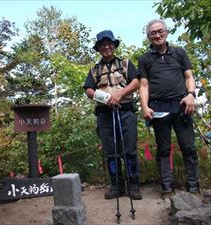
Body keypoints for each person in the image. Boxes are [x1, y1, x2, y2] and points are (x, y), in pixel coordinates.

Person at [138, 19, 199, 199]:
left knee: (188, 147)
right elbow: (143, 85)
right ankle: (167, 188)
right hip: (158, 108)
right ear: (148, 37)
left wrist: (191, 95)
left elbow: (189, 76)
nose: (157, 35)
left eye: (160, 31)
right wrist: (144, 107)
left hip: (182, 105)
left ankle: (193, 187)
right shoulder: (144, 59)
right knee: (163, 149)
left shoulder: (179, 53)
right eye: (153, 33)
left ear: (166, 32)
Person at [83, 30, 142, 200]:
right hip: (105, 114)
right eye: (102, 45)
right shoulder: (94, 69)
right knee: (111, 152)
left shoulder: (126, 63)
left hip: (126, 111)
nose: (106, 47)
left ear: (114, 45)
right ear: (99, 48)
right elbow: (88, 90)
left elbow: (136, 82)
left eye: (109, 44)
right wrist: (106, 98)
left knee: (129, 150)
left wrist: (119, 95)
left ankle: (134, 185)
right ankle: (117, 185)